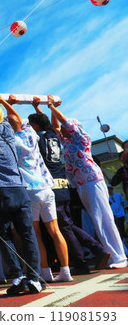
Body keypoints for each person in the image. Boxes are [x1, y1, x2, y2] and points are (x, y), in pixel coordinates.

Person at [0, 85, 42, 295]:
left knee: (4, 236)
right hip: (19, 188)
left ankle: (18, 276)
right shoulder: (8, 131)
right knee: (27, 234)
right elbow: (1, 117)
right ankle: (34, 278)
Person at [0, 93, 72, 282]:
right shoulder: (32, 135)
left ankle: (45, 271)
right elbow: (16, 118)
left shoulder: (12, 142)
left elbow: (9, 121)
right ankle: (65, 270)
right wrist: (5, 102)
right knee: (55, 231)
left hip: (30, 191)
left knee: (36, 233)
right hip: (47, 188)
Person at [47, 95, 127, 269]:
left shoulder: (82, 137)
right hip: (82, 185)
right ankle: (113, 254)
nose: (63, 129)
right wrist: (47, 108)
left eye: (66, 127)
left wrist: (52, 105)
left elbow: (64, 121)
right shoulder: (67, 143)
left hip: (93, 181)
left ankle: (120, 256)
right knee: (97, 220)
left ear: (74, 128)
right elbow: (55, 126)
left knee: (104, 218)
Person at [28, 106, 110, 273]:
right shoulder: (52, 135)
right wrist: (38, 107)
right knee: (67, 224)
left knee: (64, 226)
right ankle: (92, 251)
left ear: (35, 127)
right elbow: (50, 124)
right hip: (63, 184)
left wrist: (44, 108)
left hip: (51, 185)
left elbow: (49, 125)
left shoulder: (36, 139)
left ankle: (85, 257)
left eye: (31, 125)